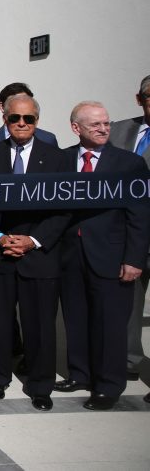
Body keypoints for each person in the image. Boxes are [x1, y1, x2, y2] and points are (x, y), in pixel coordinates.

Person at [0, 94, 71, 411]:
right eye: (15, 118)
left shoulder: (57, 158)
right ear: (5, 119)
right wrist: (1, 236)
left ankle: (40, 385)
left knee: (41, 326)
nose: (21, 124)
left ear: (37, 121)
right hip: (0, 252)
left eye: (28, 119)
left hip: (40, 255)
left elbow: (64, 210)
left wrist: (33, 240)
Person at [56, 101, 150, 410]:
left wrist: (134, 259)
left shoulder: (129, 164)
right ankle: (80, 373)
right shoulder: (63, 160)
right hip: (71, 255)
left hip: (111, 256)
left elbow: (139, 217)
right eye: (95, 125)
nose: (103, 129)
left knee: (110, 324)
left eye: (106, 124)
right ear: (76, 128)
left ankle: (108, 385)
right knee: (76, 317)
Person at [108, 74, 150, 379]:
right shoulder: (119, 130)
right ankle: (130, 361)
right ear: (139, 99)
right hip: (127, 234)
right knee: (131, 303)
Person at [0, 83, 59, 148]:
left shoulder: (47, 139)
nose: (21, 123)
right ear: (2, 107)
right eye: (13, 101)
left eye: (25, 100)